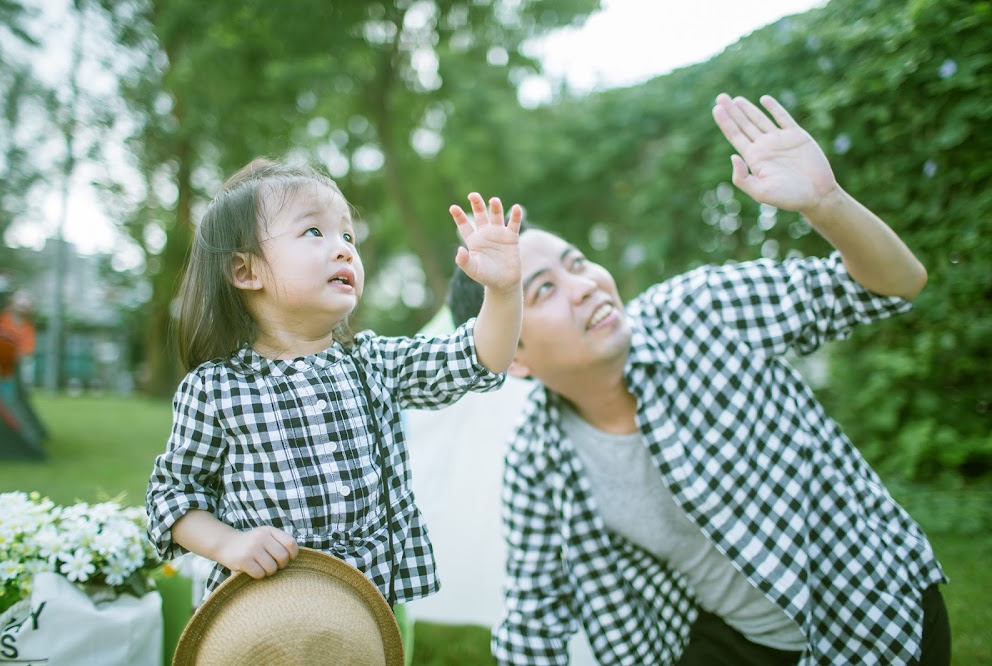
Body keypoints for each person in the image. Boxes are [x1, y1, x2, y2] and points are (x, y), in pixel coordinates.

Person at [447, 93, 949, 665]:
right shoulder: (537, 458)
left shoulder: (700, 310)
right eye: (543, 290)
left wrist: (827, 202)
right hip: (734, 643)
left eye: (578, 262)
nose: (583, 285)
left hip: (874, 608)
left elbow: (897, 285)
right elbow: (533, 613)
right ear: (513, 357)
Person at [146, 157, 523, 609]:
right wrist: (228, 544)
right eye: (313, 232)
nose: (345, 248)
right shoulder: (216, 389)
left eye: (348, 235)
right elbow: (172, 496)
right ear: (246, 271)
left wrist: (502, 291)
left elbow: (480, 358)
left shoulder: (374, 362)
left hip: (365, 610)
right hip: (264, 612)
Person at [0, 290, 37, 402]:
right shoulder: (0, 318)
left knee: (26, 366)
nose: (22, 307)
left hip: (15, 362)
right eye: (20, 303)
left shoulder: (27, 327)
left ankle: (17, 397)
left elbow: (27, 350)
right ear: (12, 303)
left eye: (25, 305)